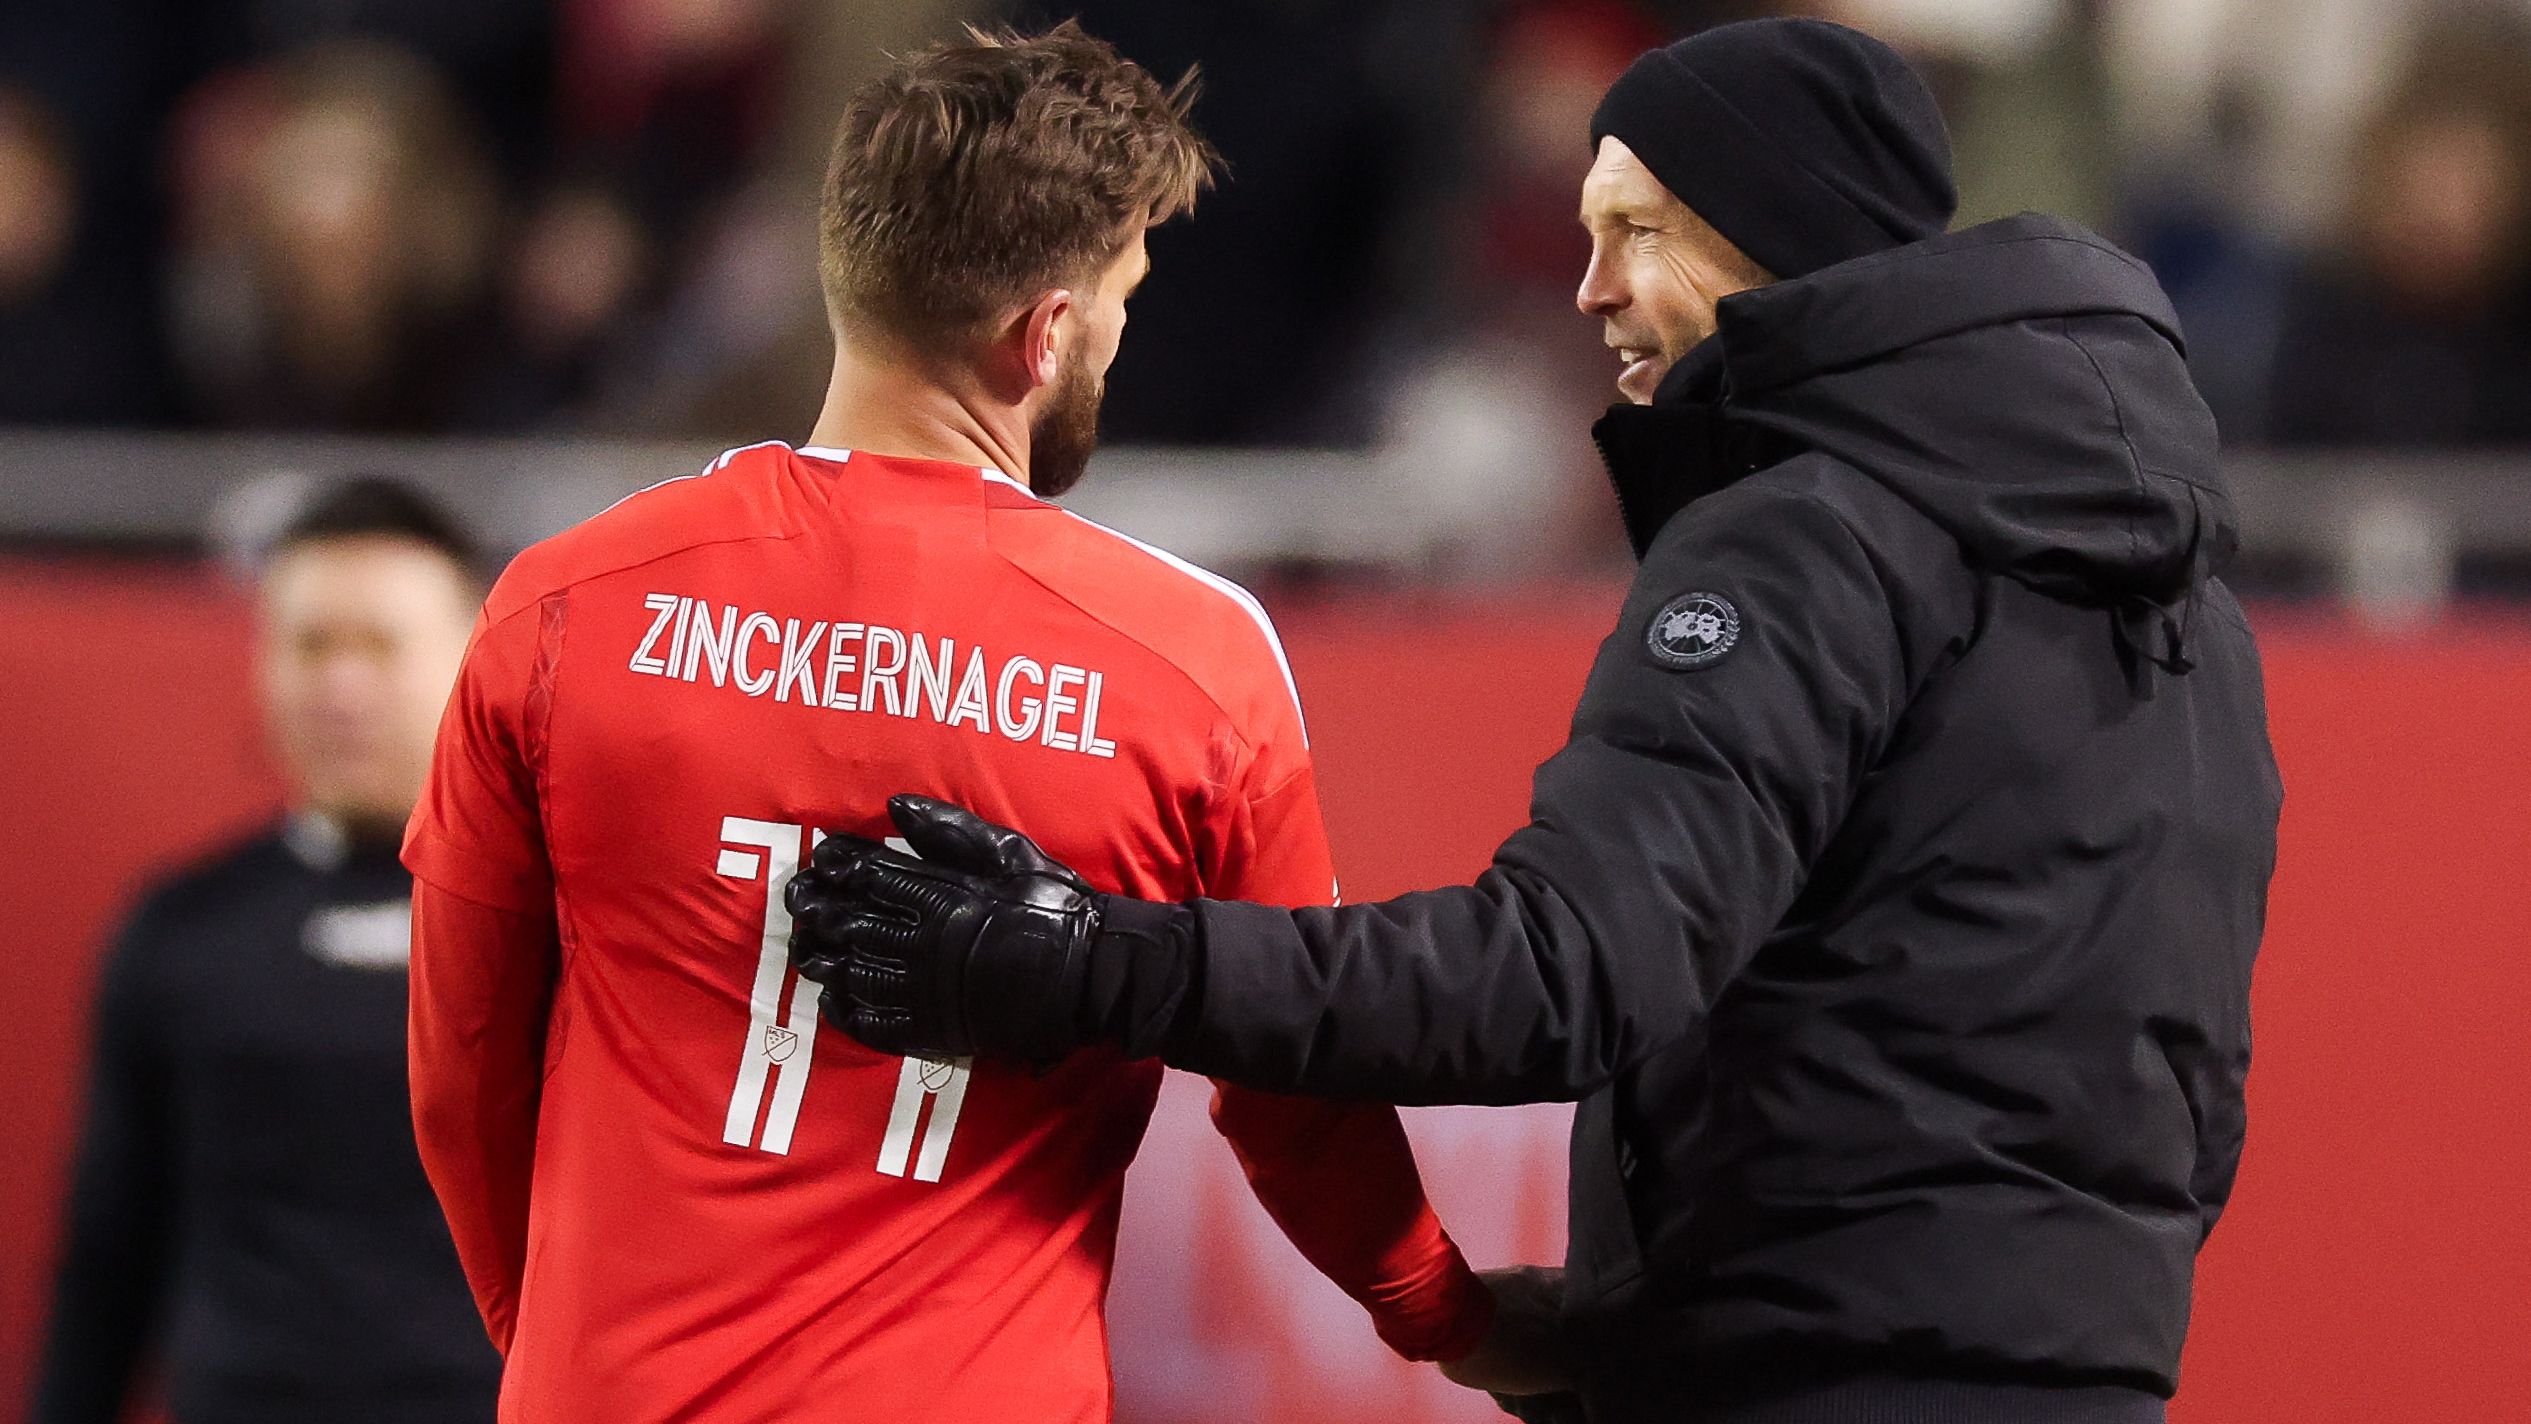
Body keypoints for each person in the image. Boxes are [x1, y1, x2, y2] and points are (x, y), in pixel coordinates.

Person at [787, 18, 2285, 1424]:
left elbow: (1559, 974)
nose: (1586, 286)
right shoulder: (2184, 603)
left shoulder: (1807, 537)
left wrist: (1074, 959)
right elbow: (2185, 1111)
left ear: (1777, 238)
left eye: (1633, 228)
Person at [398, 23, 1489, 1424]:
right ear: (1044, 334)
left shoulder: (567, 602)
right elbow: (1292, 1095)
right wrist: (1447, 1315)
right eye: (1118, 304)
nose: (1115, 337)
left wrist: (553, 1344)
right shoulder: (1190, 662)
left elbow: (463, 1065)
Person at [33, 478, 500, 1424]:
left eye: (378, 646)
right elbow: (110, 1250)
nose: (340, 685)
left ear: (471, 659)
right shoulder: (182, 932)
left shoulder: (561, 930)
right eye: (310, 645)